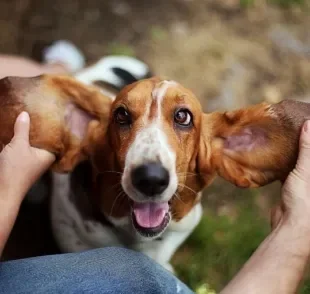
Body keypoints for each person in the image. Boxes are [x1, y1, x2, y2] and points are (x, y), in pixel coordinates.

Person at [0, 53, 310, 294]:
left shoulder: (213, 150)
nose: (150, 169)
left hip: (119, 77)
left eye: (182, 117)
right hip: (84, 218)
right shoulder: (88, 134)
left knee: (61, 73)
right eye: (123, 118)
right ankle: (62, 66)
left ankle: (60, 64)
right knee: (57, 78)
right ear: (93, 130)